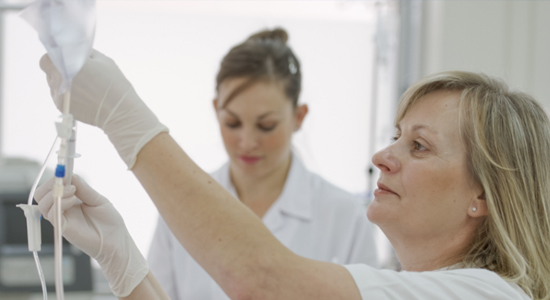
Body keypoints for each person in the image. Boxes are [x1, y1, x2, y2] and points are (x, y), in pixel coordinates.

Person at [36, 47, 550, 300]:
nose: (383, 156)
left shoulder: (488, 294)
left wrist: (123, 114)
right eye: (395, 135)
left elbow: (261, 279)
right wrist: (122, 261)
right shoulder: (399, 286)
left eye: (418, 146)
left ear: (482, 196)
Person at [146, 28, 378, 299]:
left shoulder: (345, 217)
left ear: (299, 117)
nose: (246, 142)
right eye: (232, 123)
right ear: (215, 109)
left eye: (266, 126)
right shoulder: (181, 207)